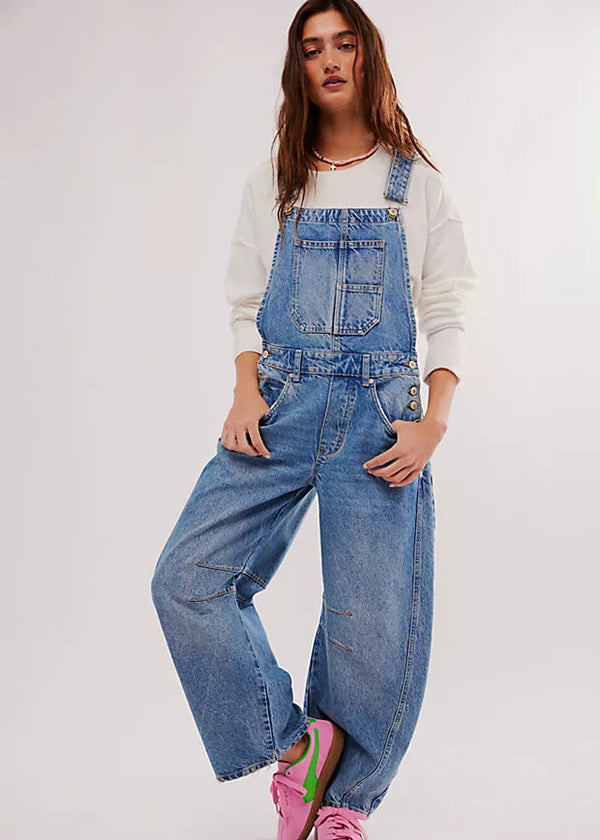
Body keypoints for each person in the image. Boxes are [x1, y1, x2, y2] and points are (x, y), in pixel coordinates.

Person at [151, 2, 477, 839]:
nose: (329, 60)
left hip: (381, 416)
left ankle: (341, 807)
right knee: (187, 578)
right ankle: (297, 749)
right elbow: (244, 300)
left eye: (344, 43)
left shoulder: (416, 181)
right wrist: (243, 388)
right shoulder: (275, 179)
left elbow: (448, 307)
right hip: (280, 402)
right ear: (298, 68)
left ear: (368, 56)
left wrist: (435, 421)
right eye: (311, 48)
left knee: (372, 621)